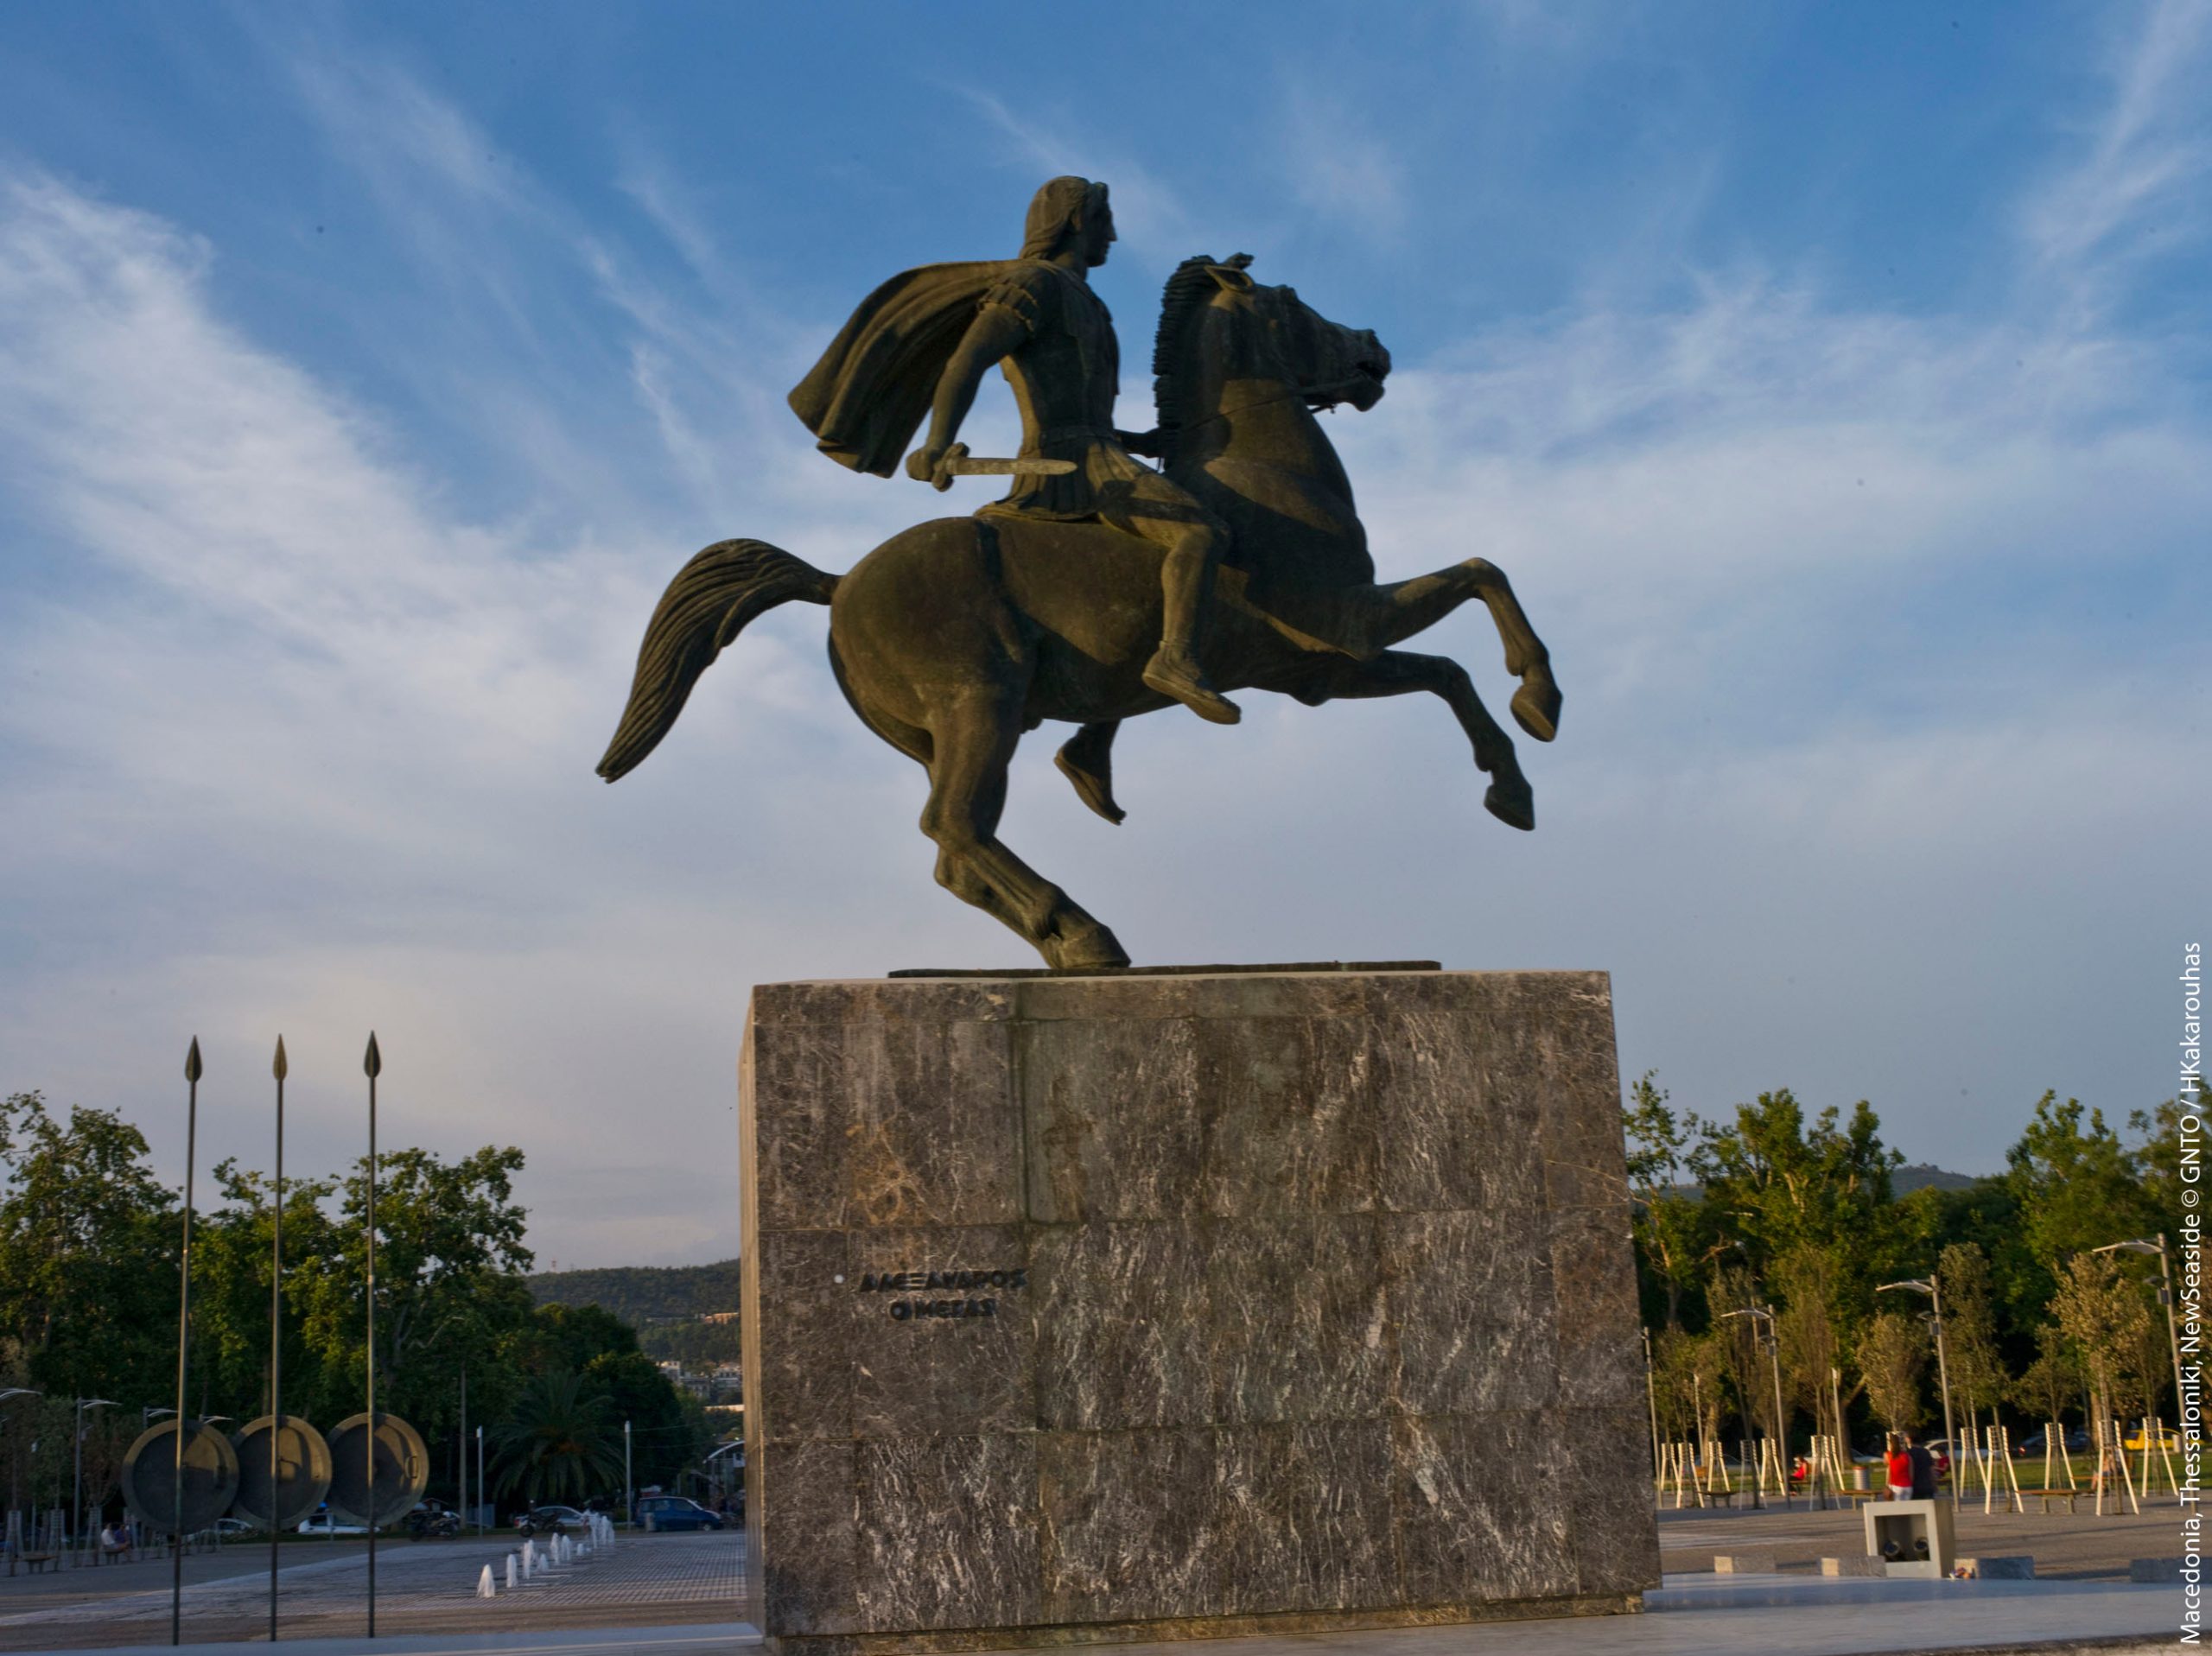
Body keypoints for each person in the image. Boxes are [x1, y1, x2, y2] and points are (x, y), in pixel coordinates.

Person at [790, 175, 1240, 726]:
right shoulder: (1034, 284)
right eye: (1103, 221)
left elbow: (1086, 411)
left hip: (1104, 455)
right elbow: (967, 360)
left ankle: (1096, 733)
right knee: (1199, 532)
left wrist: (1143, 442)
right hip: (1072, 467)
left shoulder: (1091, 304)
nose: (1114, 236)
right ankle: (1174, 659)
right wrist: (937, 441)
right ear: (1074, 221)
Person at [1907, 1434, 1939, 1501]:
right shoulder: (1926, 1452)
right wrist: (1934, 1483)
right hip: (1927, 1485)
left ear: (1909, 1440)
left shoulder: (1909, 1453)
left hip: (1915, 1486)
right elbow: (1931, 1469)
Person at [1884, 1433, 1913, 1501]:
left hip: (1896, 1486)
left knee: (1897, 1509)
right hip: (1908, 1486)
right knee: (1907, 1509)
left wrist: (1887, 1485)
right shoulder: (1907, 1456)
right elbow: (1911, 1474)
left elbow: (1889, 1471)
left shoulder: (1888, 1455)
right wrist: (1910, 1483)